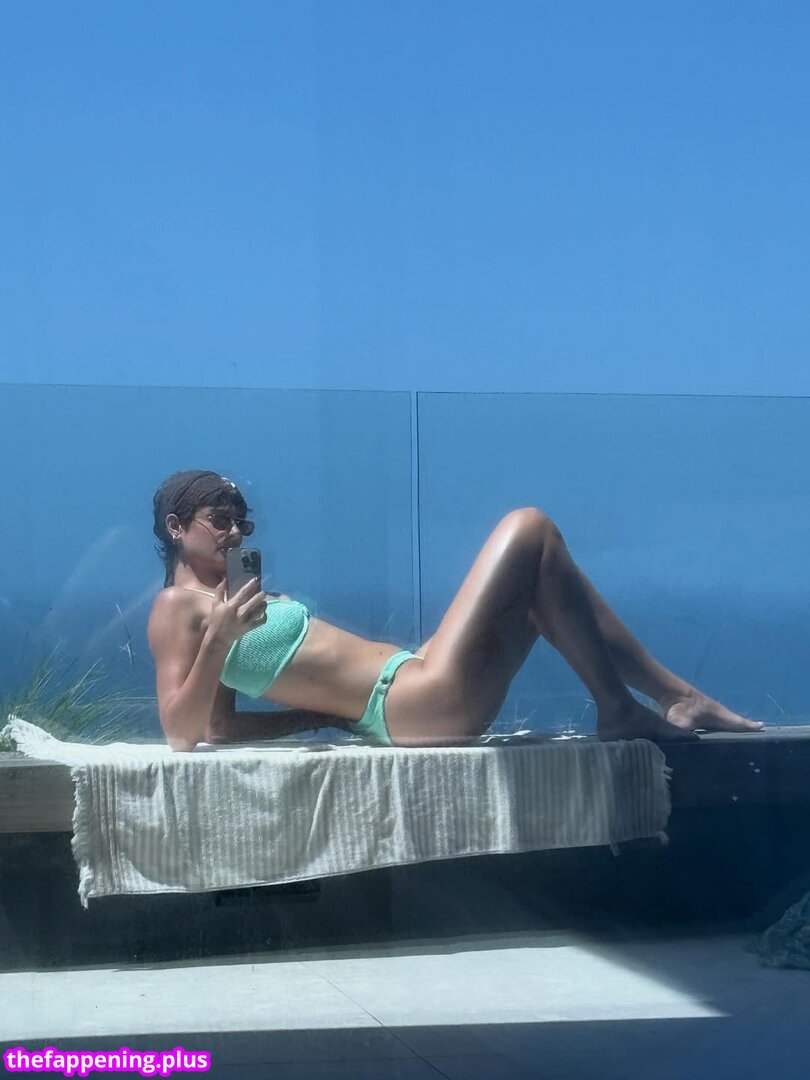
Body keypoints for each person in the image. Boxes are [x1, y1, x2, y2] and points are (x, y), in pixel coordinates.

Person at [148, 469, 764, 753]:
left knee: (545, 581)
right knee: (529, 527)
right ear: (177, 527)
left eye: (242, 522)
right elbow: (181, 733)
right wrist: (219, 640)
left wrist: (319, 717)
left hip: (409, 693)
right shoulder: (178, 607)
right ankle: (622, 708)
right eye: (221, 521)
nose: (235, 533)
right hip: (413, 702)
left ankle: (677, 697)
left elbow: (219, 726)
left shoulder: (226, 601)